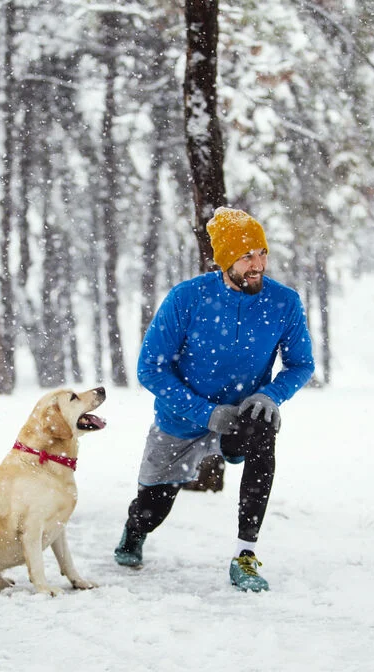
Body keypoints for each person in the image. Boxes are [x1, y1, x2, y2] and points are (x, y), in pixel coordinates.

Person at [113, 207, 315, 592]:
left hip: (242, 417)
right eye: (246, 256)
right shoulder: (187, 299)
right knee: (151, 509)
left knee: (264, 427)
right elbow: (150, 368)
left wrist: (271, 395)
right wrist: (205, 413)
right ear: (224, 260)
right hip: (181, 420)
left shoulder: (284, 303)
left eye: (261, 253)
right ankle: (134, 531)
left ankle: (245, 554)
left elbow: (301, 364)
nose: (257, 264)